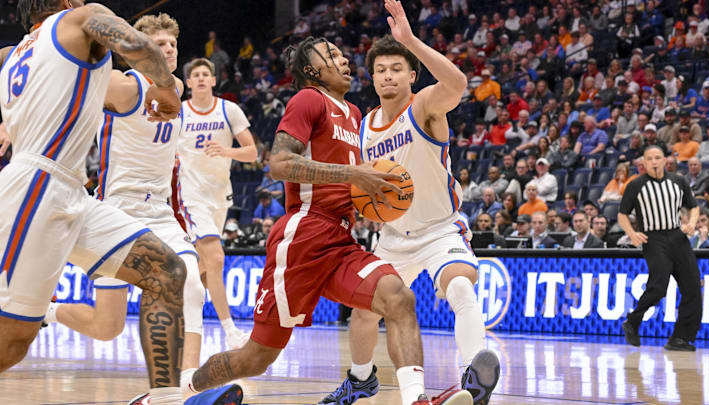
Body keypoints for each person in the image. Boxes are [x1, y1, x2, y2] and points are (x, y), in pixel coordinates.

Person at [184, 30, 473, 405]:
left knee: (397, 297)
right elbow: (280, 163)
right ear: (311, 69)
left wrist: (372, 192)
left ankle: (416, 400)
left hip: (341, 240)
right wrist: (353, 175)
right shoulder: (308, 100)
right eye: (332, 55)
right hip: (302, 235)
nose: (344, 60)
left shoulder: (354, 114)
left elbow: (352, 177)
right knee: (255, 358)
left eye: (341, 55)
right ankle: (182, 392)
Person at [0, 2, 188, 404]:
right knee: (12, 343)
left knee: (166, 270)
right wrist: (167, 90)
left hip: (71, 191)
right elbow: (140, 46)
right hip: (37, 184)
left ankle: (165, 398)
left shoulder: (17, 51)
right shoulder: (82, 17)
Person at [323, 2, 499, 403]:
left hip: (439, 228)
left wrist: (411, 41)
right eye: (381, 69)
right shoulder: (363, 125)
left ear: (411, 75)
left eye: (397, 68)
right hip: (392, 235)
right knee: (364, 310)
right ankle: (361, 377)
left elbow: (457, 85)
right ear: (372, 77)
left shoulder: (424, 106)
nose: (388, 75)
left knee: (461, 287)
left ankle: (476, 378)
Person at [177, 57, 257, 348]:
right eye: (195, 75)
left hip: (219, 195)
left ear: (213, 80)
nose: (200, 78)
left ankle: (170, 305)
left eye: (205, 74)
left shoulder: (228, 109)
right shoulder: (180, 113)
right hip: (189, 195)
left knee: (201, 266)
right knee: (217, 259)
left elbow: (251, 153)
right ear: (188, 83)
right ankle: (231, 332)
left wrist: (226, 151)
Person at [619, 145, 702, 351]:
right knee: (658, 286)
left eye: (658, 158)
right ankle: (633, 320)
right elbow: (622, 214)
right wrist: (632, 233)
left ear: (665, 160)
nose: (654, 161)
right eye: (650, 158)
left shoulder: (679, 181)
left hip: (677, 237)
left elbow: (693, 206)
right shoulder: (635, 185)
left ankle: (680, 338)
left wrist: (691, 223)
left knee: (692, 288)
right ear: (644, 163)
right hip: (653, 239)